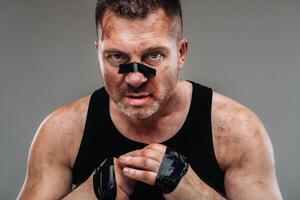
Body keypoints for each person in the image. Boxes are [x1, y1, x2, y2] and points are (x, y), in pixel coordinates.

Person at [18, 0, 283, 199]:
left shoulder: (237, 130)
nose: (135, 79)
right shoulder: (62, 131)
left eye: (153, 55)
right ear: (98, 53)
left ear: (180, 53)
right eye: (117, 57)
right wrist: (90, 195)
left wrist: (197, 195)